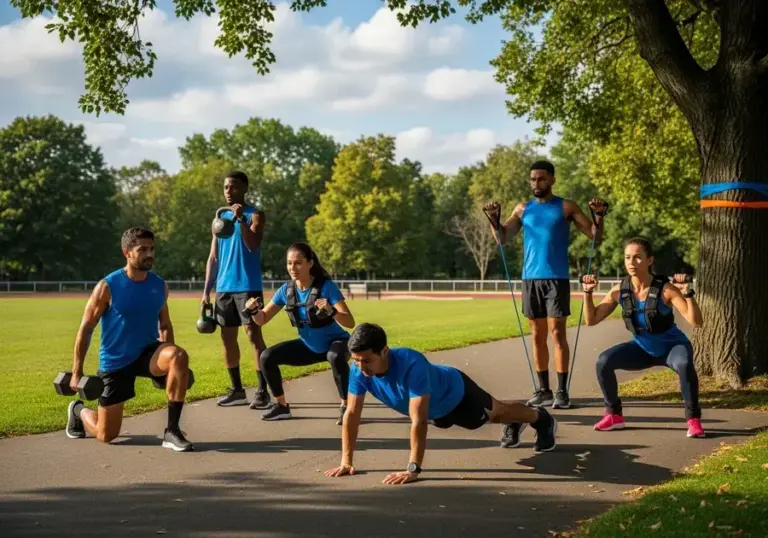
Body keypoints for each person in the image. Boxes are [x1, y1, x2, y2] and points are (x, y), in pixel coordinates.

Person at [324, 323, 558, 485]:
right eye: (356, 361)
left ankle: (540, 418)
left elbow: (418, 420)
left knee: (497, 413)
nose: (362, 368)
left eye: (367, 361)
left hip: (457, 393)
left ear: (385, 351)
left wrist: (413, 468)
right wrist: (346, 461)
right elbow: (352, 414)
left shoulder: (411, 363)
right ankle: (517, 421)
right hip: (439, 411)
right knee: (494, 416)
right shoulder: (358, 371)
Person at [483, 160, 607, 410]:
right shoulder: (522, 209)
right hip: (531, 280)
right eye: (532, 179)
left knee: (557, 333)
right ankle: (543, 390)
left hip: (556, 279)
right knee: (537, 335)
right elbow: (503, 238)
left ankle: (562, 391)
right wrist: (493, 220)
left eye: (540, 179)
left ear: (552, 180)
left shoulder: (566, 207)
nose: (535, 183)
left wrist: (599, 216)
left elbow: (595, 236)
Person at [65, 228, 194, 451]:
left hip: (147, 352)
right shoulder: (108, 286)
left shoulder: (158, 285)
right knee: (107, 435)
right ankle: (78, 410)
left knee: (178, 355)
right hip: (116, 361)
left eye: (152, 249)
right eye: (142, 249)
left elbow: (164, 325)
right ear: (127, 253)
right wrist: (77, 371)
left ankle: (171, 431)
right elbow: (86, 328)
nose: (149, 254)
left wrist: (168, 369)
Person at [581, 237, 705, 438]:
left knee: (684, 364)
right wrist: (588, 293)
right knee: (603, 361)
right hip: (642, 349)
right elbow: (591, 320)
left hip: (672, 348)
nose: (632, 262)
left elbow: (696, 321)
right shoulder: (620, 290)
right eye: (628, 257)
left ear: (649, 261)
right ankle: (614, 416)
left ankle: (693, 420)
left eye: (638, 257)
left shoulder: (666, 290)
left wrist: (688, 293)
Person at [243, 242, 355, 424]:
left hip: (337, 343)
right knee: (266, 357)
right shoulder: (286, 290)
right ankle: (281, 406)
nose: (292, 268)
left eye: (298, 263)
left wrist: (331, 311)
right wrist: (254, 310)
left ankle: (346, 407)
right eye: (289, 263)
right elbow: (262, 319)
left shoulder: (326, 287)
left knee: (335, 356)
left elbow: (350, 322)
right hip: (309, 347)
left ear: (310, 263)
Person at [202, 170, 270, 410]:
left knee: (254, 336)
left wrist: (241, 219)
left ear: (244, 189)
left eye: (233, 187)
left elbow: (252, 245)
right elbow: (213, 258)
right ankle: (237, 390)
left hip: (248, 287)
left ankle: (263, 391)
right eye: (225, 187)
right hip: (224, 289)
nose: (228, 191)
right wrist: (205, 292)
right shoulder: (220, 217)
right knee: (227, 338)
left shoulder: (255, 215)